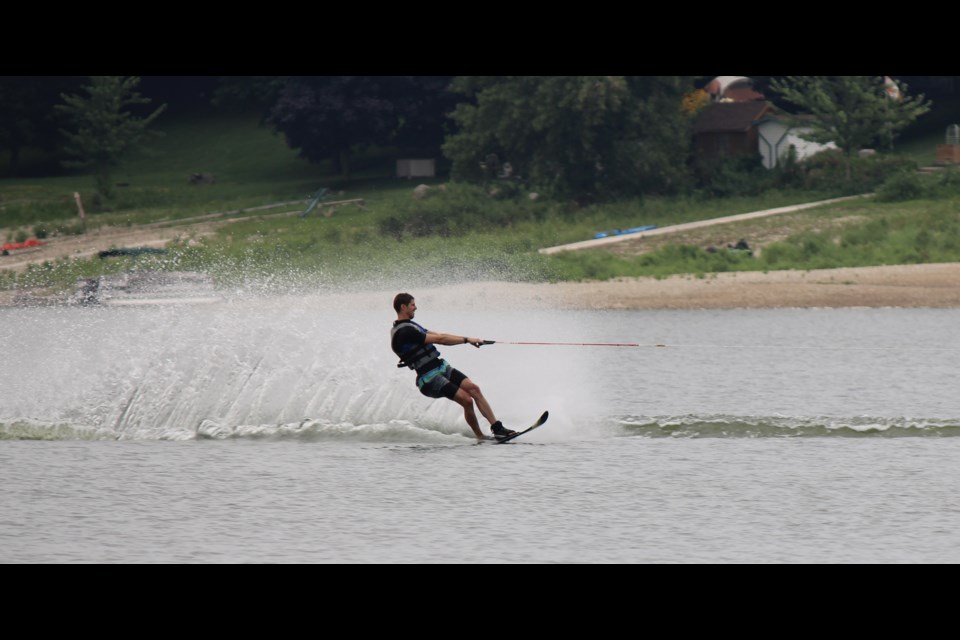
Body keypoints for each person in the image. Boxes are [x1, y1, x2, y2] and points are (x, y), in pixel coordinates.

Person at [391, 292, 516, 441]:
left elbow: (440, 334)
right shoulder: (405, 332)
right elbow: (440, 339)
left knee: (474, 389)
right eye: (412, 305)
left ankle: (498, 429)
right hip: (429, 379)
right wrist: (467, 339)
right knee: (467, 400)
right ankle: (480, 437)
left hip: (441, 367)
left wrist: (470, 340)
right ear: (403, 307)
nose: (415, 308)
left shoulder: (411, 326)